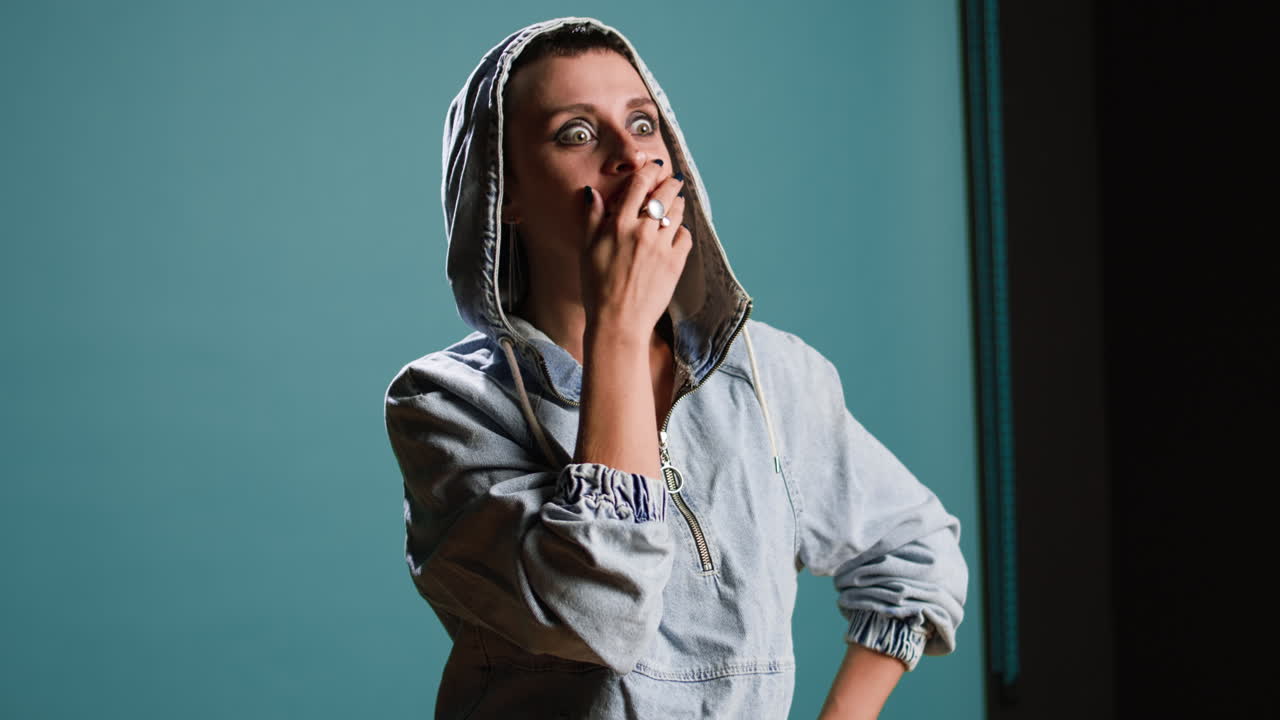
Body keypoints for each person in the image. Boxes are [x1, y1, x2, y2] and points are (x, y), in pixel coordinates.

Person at [384, 17, 968, 719]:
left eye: (642, 123)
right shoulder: (447, 406)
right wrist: (620, 329)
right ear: (502, 190)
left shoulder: (769, 375)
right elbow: (598, 618)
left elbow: (915, 550)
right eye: (576, 132)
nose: (631, 155)